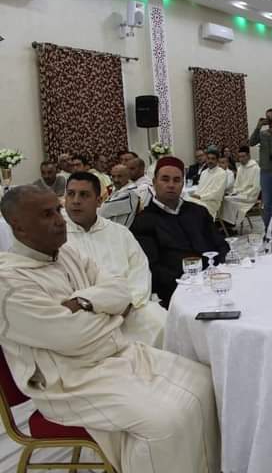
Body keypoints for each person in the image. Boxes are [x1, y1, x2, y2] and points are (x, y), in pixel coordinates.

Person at [0, 185, 219, 473]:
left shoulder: (67, 253)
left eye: (57, 210)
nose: (59, 220)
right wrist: (111, 315)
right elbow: (73, 337)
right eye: (46, 214)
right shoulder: (9, 282)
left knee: (206, 382)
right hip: (70, 380)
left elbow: (120, 290)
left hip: (117, 354)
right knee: (164, 423)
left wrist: (84, 301)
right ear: (19, 227)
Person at [64, 172, 167, 347]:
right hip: (82, 314)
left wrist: (127, 304)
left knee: (161, 322)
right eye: (71, 194)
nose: (76, 201)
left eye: (84, 195)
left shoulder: (119, 232)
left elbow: (140, 270)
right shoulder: (56, 237)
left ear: (99, 201)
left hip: (128, 309)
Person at [131, 156, 228, 307]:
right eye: (165, 179)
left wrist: (217, 272)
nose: (171, 185)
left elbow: (221, 245)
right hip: (177, 293)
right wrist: (189, 282)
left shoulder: (199, 212)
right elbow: (151, 268)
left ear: (183, 184)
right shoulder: (143, 221)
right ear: (154, 182)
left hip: (216, 284)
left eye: (177, 180)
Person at [225, 147, 261, 226]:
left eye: (243, 156)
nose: (241, 159)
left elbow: (256, 187)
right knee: (225, 199)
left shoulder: (256, 168)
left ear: (248, 156)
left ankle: (230, 224)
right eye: (239, 157)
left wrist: (243, 194)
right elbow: (236, 185)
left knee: (227, 201)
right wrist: (235, 192)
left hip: (250, 196)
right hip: (239, 195)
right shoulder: (240, 168)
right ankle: (226, 224)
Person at [187, 148, 227, 219]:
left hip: (211, 202)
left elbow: (217, 193)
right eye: (208, 158)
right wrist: (195, 196)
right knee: (184, 204)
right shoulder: (204, 172)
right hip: (199, 199)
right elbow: (199, 188)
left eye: (213, 159)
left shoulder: (222, 173)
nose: (210, 161)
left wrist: (200, 197)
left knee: (192, 210)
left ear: (217, 160)